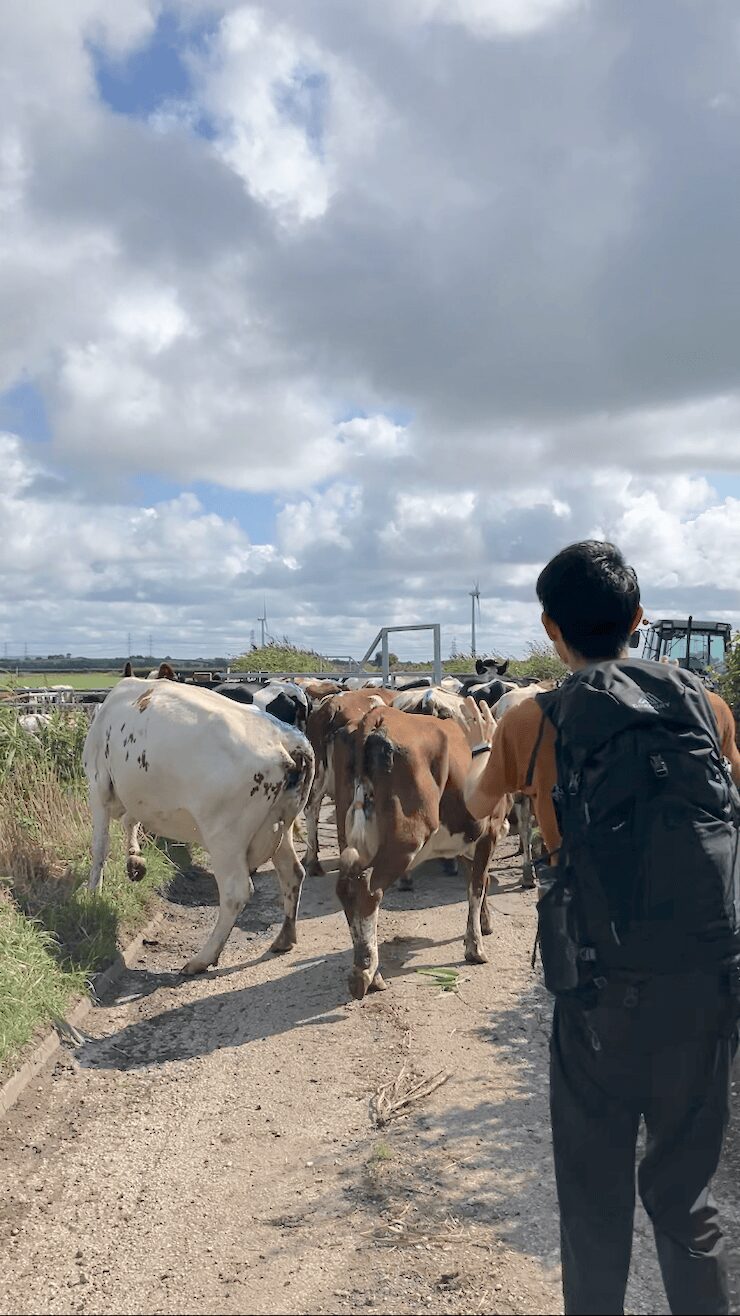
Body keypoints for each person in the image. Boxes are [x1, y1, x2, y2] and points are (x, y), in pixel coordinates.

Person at [462, 540, 740, 1316]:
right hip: (706, 985)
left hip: (597, 993)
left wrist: (492, 751)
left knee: (593, 1203)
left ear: (551, 629)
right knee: (687, 1199)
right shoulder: (706, 705)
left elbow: (476, 808)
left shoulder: (534, 719)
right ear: (640, 620)